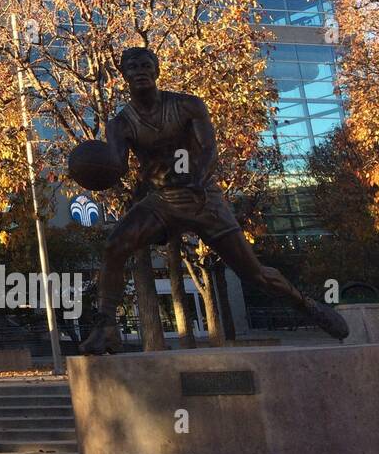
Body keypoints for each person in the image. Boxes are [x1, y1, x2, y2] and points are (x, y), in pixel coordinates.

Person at [80, 46, 350, 353]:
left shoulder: (188, 106)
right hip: (163, 201)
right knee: (115, 246)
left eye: (145, 65)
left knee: (256, 274)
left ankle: (309, 307)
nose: (139, 71)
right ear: (123, 76)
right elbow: (116, 165)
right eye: (131, 67)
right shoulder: (120, 124)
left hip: (202, 198)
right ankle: (107, 329)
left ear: (156, 71)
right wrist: (91, 168)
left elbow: (208, 149)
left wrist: (197, 178)